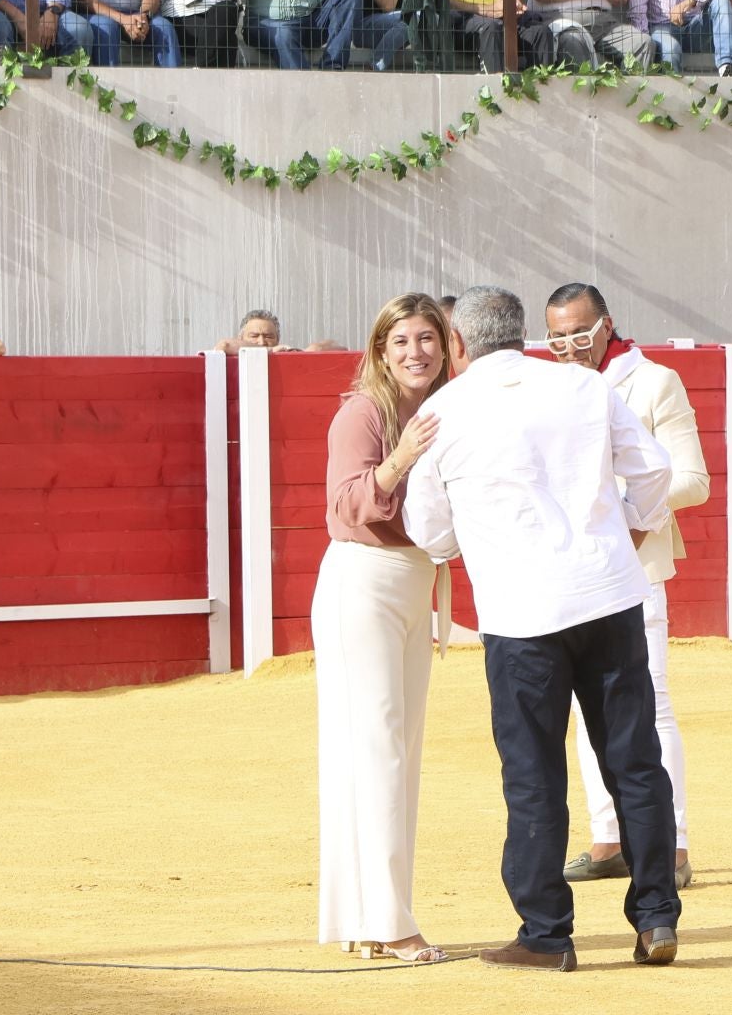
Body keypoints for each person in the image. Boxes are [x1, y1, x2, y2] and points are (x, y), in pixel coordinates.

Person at [402, 285, 680, 973]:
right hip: (608, 596)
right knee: (634, 763)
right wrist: (629, 530)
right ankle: (654, 918)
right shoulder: (583, 387)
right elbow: (654, 473)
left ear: (459, 345)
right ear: (522, 332)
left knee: (533, 773)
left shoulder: (444, 411)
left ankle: (546, 932)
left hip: (522, 616)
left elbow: (430, 534)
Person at [543, 283, 705, 892]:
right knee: (588, 712)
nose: (570, 347)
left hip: (635, 567)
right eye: (557, 337)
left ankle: (675, 845)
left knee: (651, 706)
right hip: (577, 571)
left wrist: (610, 492)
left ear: (607, 325)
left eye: (580, 334)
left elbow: (692, 480)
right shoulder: (549, 387)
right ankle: (608, 839)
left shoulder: (655, 382)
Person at [312, 292, 452, 966]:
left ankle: (364, 916)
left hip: (415, 579)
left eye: (427, 338)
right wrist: (399, 458)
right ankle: (390, 922)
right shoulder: (361, 412)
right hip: (362, 579)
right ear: (380, 351)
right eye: (402, 341)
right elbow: (344, 501)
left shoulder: (450, 407)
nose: (416, 352)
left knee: (393, 748)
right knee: (379, 749)